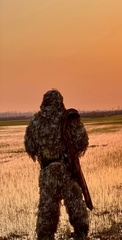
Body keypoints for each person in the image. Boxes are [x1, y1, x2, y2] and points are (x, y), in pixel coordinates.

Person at [24, 89, 89, 240]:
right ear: (60, 101)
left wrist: (43, 153)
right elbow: (82, 141)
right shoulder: (68, 118)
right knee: (75, 202)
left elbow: (30, 147)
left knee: (47, 207)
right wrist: (72, 154)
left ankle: (45, 236)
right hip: (67, 169)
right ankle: (81, 234)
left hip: (47, 171)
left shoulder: (35, 121)